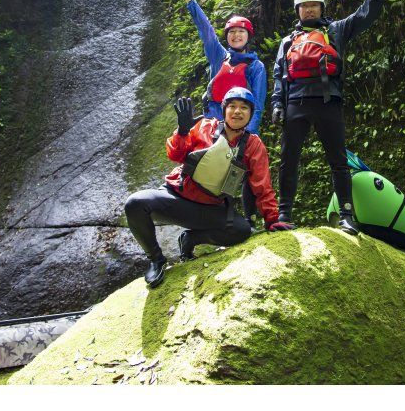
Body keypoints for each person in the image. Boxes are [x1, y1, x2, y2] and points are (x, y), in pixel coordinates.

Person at [271, 0, 394, 236]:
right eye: (305, 6)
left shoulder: (336, 30)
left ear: (322, 8)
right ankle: (284, 213)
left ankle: (347, 215)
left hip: (328, 103)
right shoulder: (287, 41)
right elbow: (279, 73)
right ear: (297, 11)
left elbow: (366, 15)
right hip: (295, 104)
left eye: (314, 5)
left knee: (338, 160)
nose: (310, 10)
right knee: (289, 159)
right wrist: (277, 104)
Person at [124, 87, 294, 288]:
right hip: (176, 198)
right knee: (135, 203)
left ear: (250, 114)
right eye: (232, 106)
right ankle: (156, 258)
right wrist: (182, 131)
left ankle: (190, 239)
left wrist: (272, 219)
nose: (237, 111)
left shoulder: (253, 145)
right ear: (224, 110)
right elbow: (175, 154)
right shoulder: (205, 126)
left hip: (209, 208)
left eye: (243, 108)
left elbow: (262, 185)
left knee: (242, 230)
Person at [170, 0, 267, 223]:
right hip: (213, 122)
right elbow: (206, 30)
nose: (236, 36)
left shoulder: (255, 67)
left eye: (240, 32)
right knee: (205, 168)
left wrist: (249, 135)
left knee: (242, 170)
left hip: (240, 126)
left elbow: (258, 101)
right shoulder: (218, 57)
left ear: (248, 36)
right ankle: (204, 215)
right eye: (232, 32)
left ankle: (249, 218)